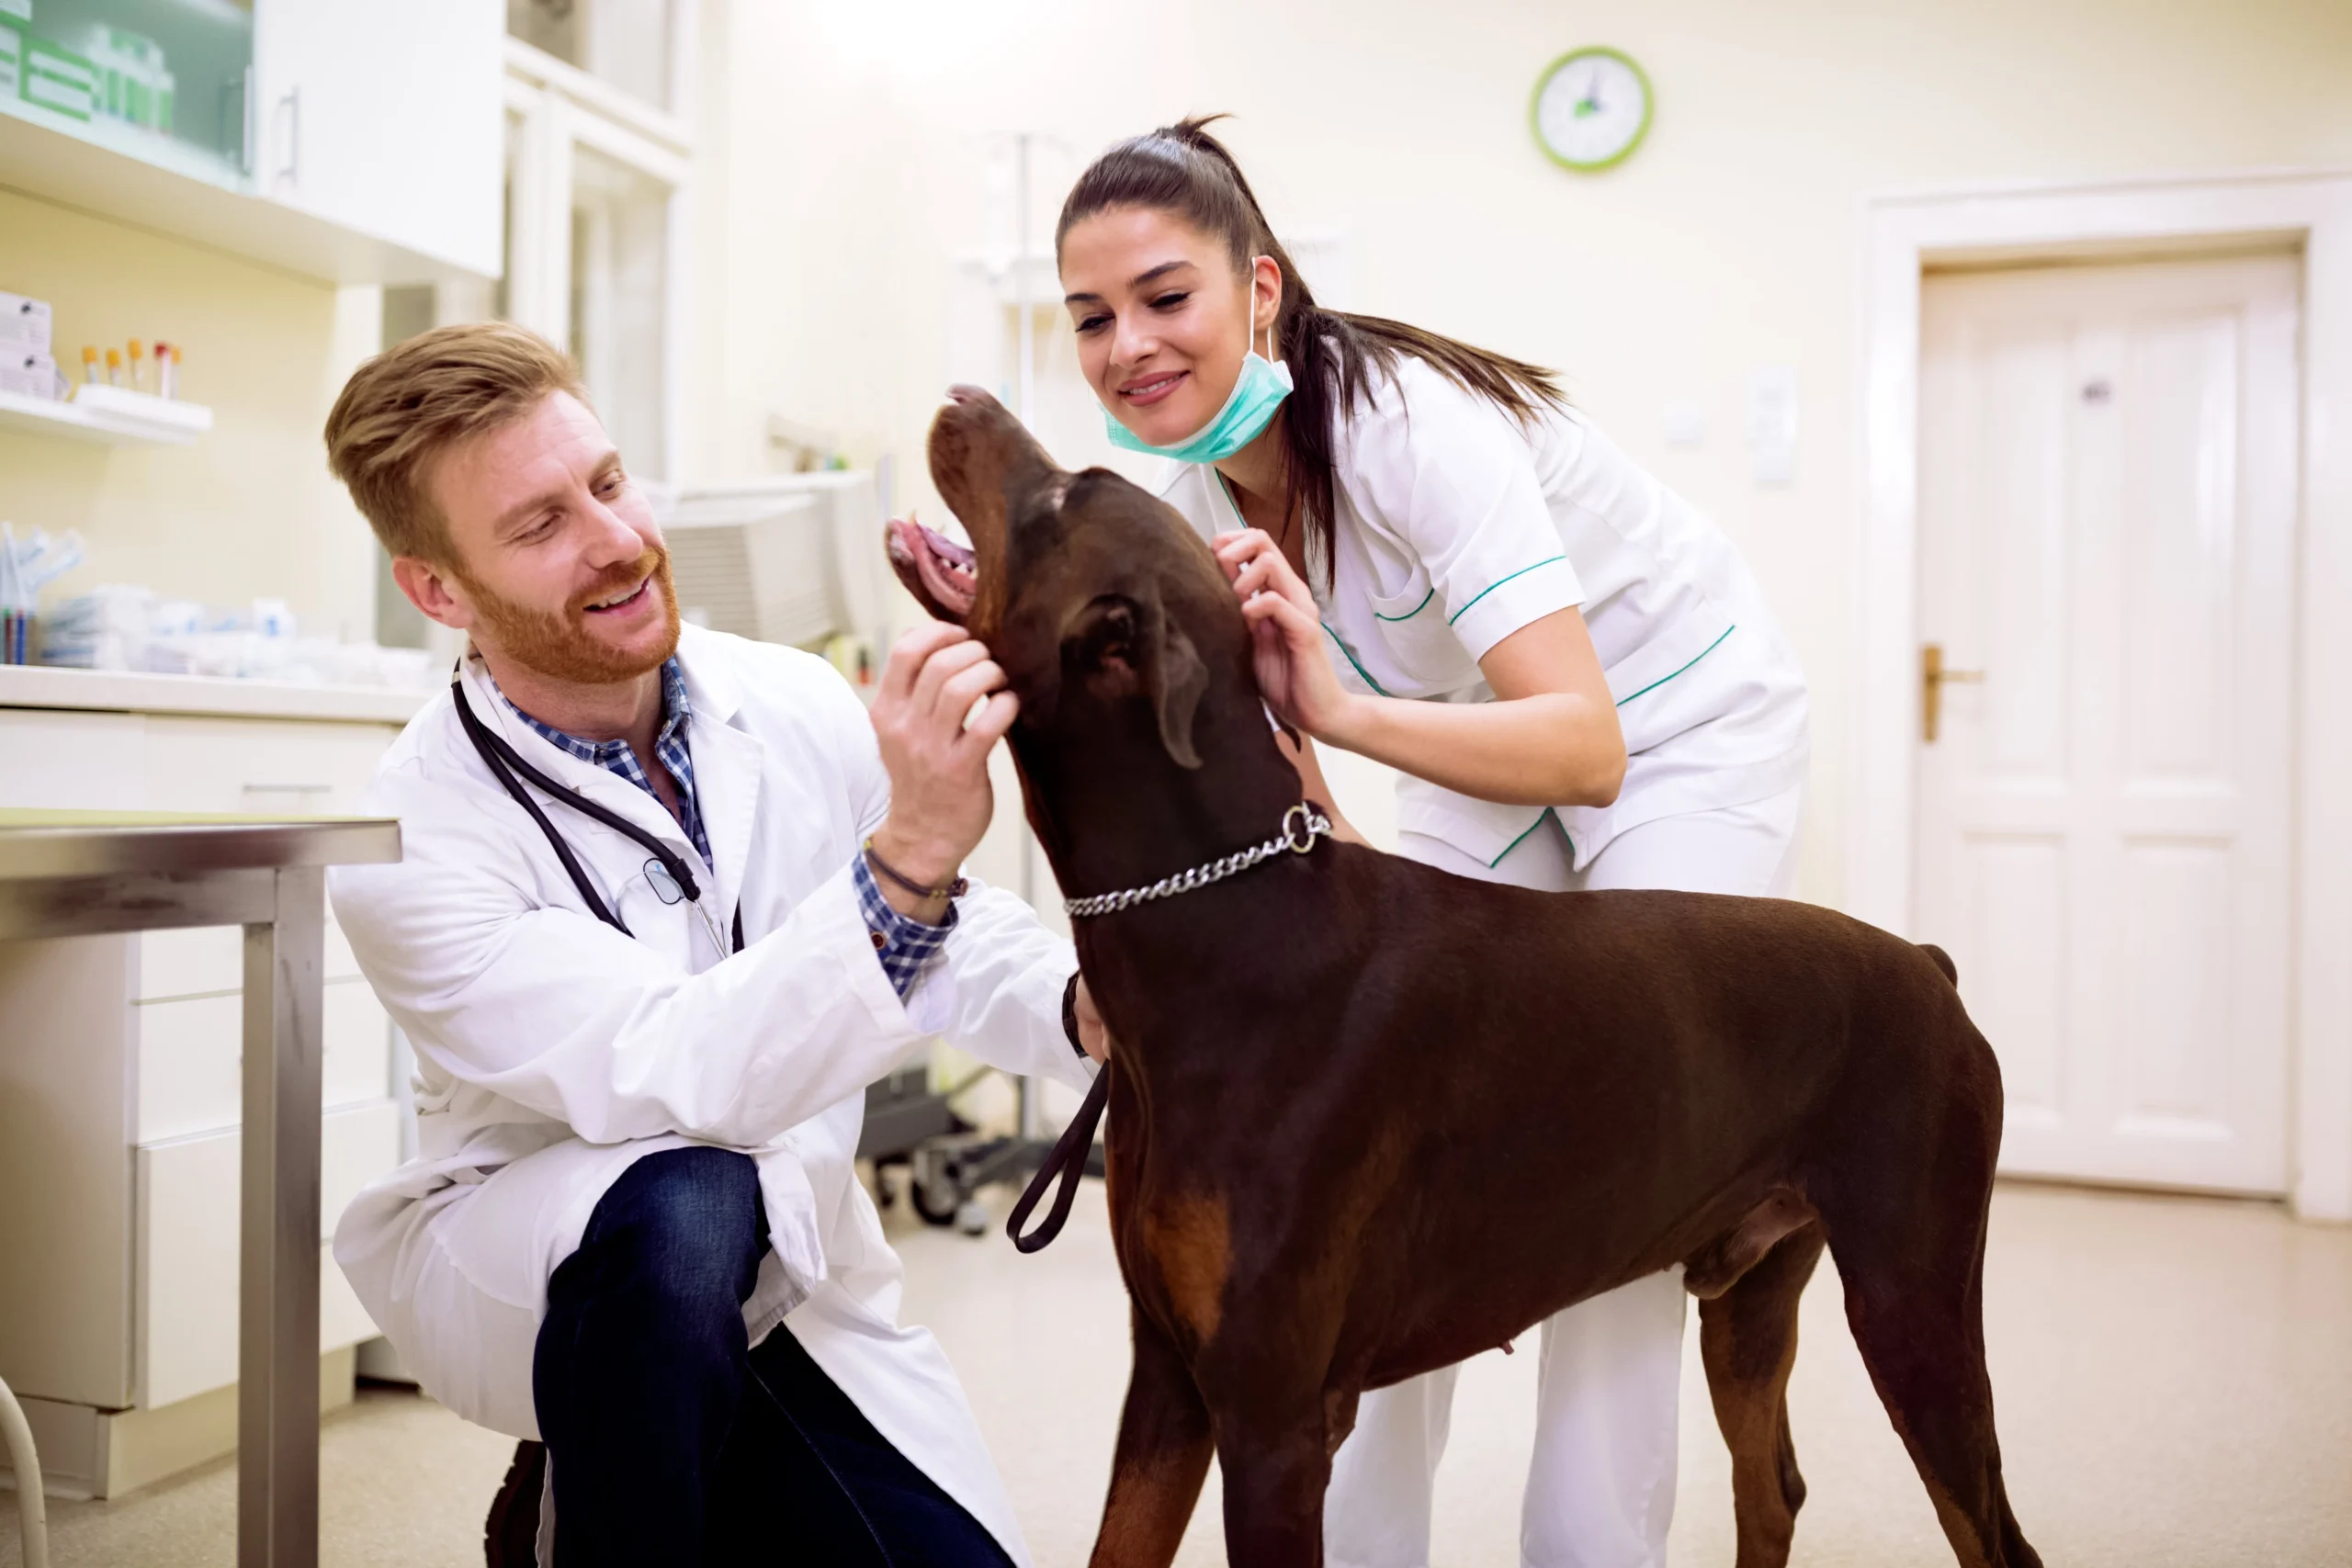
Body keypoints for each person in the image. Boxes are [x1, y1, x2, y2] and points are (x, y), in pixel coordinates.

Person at [1055, 119, 1809, 1568]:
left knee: (1621, 1160)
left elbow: (1583, 745)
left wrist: (1339, 705)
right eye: (1091, 316)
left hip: (1677, 729)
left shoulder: (1403, 422)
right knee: (1374, 1157)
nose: (1127, 345)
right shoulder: (1185, 507)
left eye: (1165, 296)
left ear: (1259, 286)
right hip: (1472, 738)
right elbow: (1306, 835)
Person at [321, 321, 1104, 1567]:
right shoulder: (410, 833)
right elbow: (680, 1067)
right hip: (558, 1254)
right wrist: (906, 858)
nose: (619, 540)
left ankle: (592, 1497)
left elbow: (954, 934)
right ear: (438, 590)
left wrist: (1087, 1006)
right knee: (689, 1199)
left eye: (611, 482)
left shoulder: (783, 700)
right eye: (540, 525)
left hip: (798, 1270)